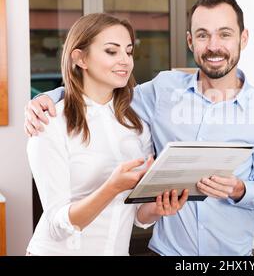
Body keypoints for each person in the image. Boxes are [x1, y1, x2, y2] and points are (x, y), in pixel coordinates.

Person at [24, 0, 254, 256]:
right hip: (167, 252)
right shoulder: (162, 91)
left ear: (243, 38)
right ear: (190, 41)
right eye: (202, 35)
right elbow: (102, 95)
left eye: (225, 34)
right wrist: (49, 96)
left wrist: (241, 190)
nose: (213, 45)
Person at [26, 13, 188, 256]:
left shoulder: (137, 125)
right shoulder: (50, 122)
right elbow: (58, 226)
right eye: (112, 51)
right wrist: (110, 188)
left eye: (129, 51)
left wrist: (158, 207)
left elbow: (136, 215)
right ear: (80, 58)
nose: (125, 60)